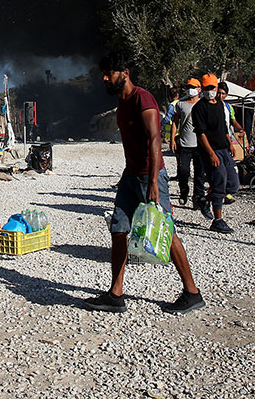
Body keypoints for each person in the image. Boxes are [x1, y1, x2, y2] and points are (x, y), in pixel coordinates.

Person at [83, 52, 204, 315]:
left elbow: (154, 139)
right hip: (131, 175)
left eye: (109, 73)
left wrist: (152, 183)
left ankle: (192, 293)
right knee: (118, 229)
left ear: (124, 72)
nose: (105, 78)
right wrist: (127, 175)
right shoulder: (122, 102)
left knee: (165, 231)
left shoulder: (142, 98)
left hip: (150, 175)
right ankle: (115, 295)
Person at [192, 74, 239, 234]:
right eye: (206, 88)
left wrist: (230, 144)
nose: (209, 91)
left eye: (211, 88)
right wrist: (211, 154)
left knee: (233, 184)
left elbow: (224, 127)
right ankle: (218, 220)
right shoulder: (199, 108)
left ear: (217, 88)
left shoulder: (220, 105)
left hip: (224, 149)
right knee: (219, 182)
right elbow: (201, 133)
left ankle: (204, 200)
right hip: (210, 151)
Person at [170, 78, 207, 206]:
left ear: (199, 89)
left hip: (200, 145)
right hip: (184, 144)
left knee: (200, 174)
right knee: (183, 171)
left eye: (193, 86)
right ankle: (184, 192)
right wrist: (172, 140)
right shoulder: (180, 104)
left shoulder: (204, 104)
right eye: (188, 86)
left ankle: (197, 197)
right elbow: (175, 122)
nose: (190, 89)